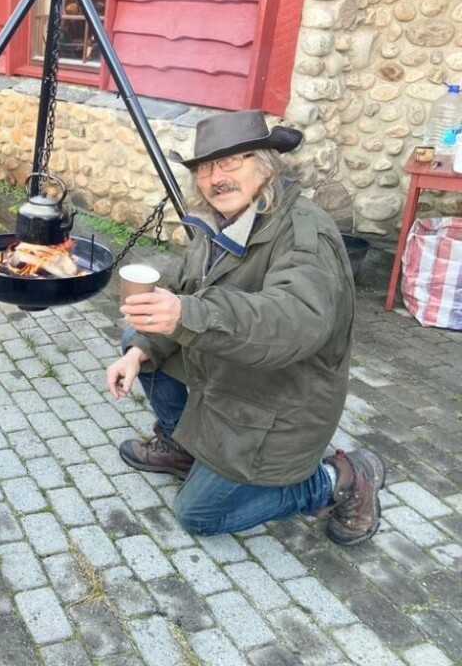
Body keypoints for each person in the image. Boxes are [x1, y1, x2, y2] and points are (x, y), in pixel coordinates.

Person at [105, 109, 385, 546]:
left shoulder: (304, 233)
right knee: (136, 345)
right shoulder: (221, 222)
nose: (215, 177)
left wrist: (186, 315)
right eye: (204, 167)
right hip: (229, 375)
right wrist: (140, 347)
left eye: (231, 162)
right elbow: (183, 289)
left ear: (267, 165)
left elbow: (294, 321)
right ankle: (187, 446)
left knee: (198, 515)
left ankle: (343, 477)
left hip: (276, 403)